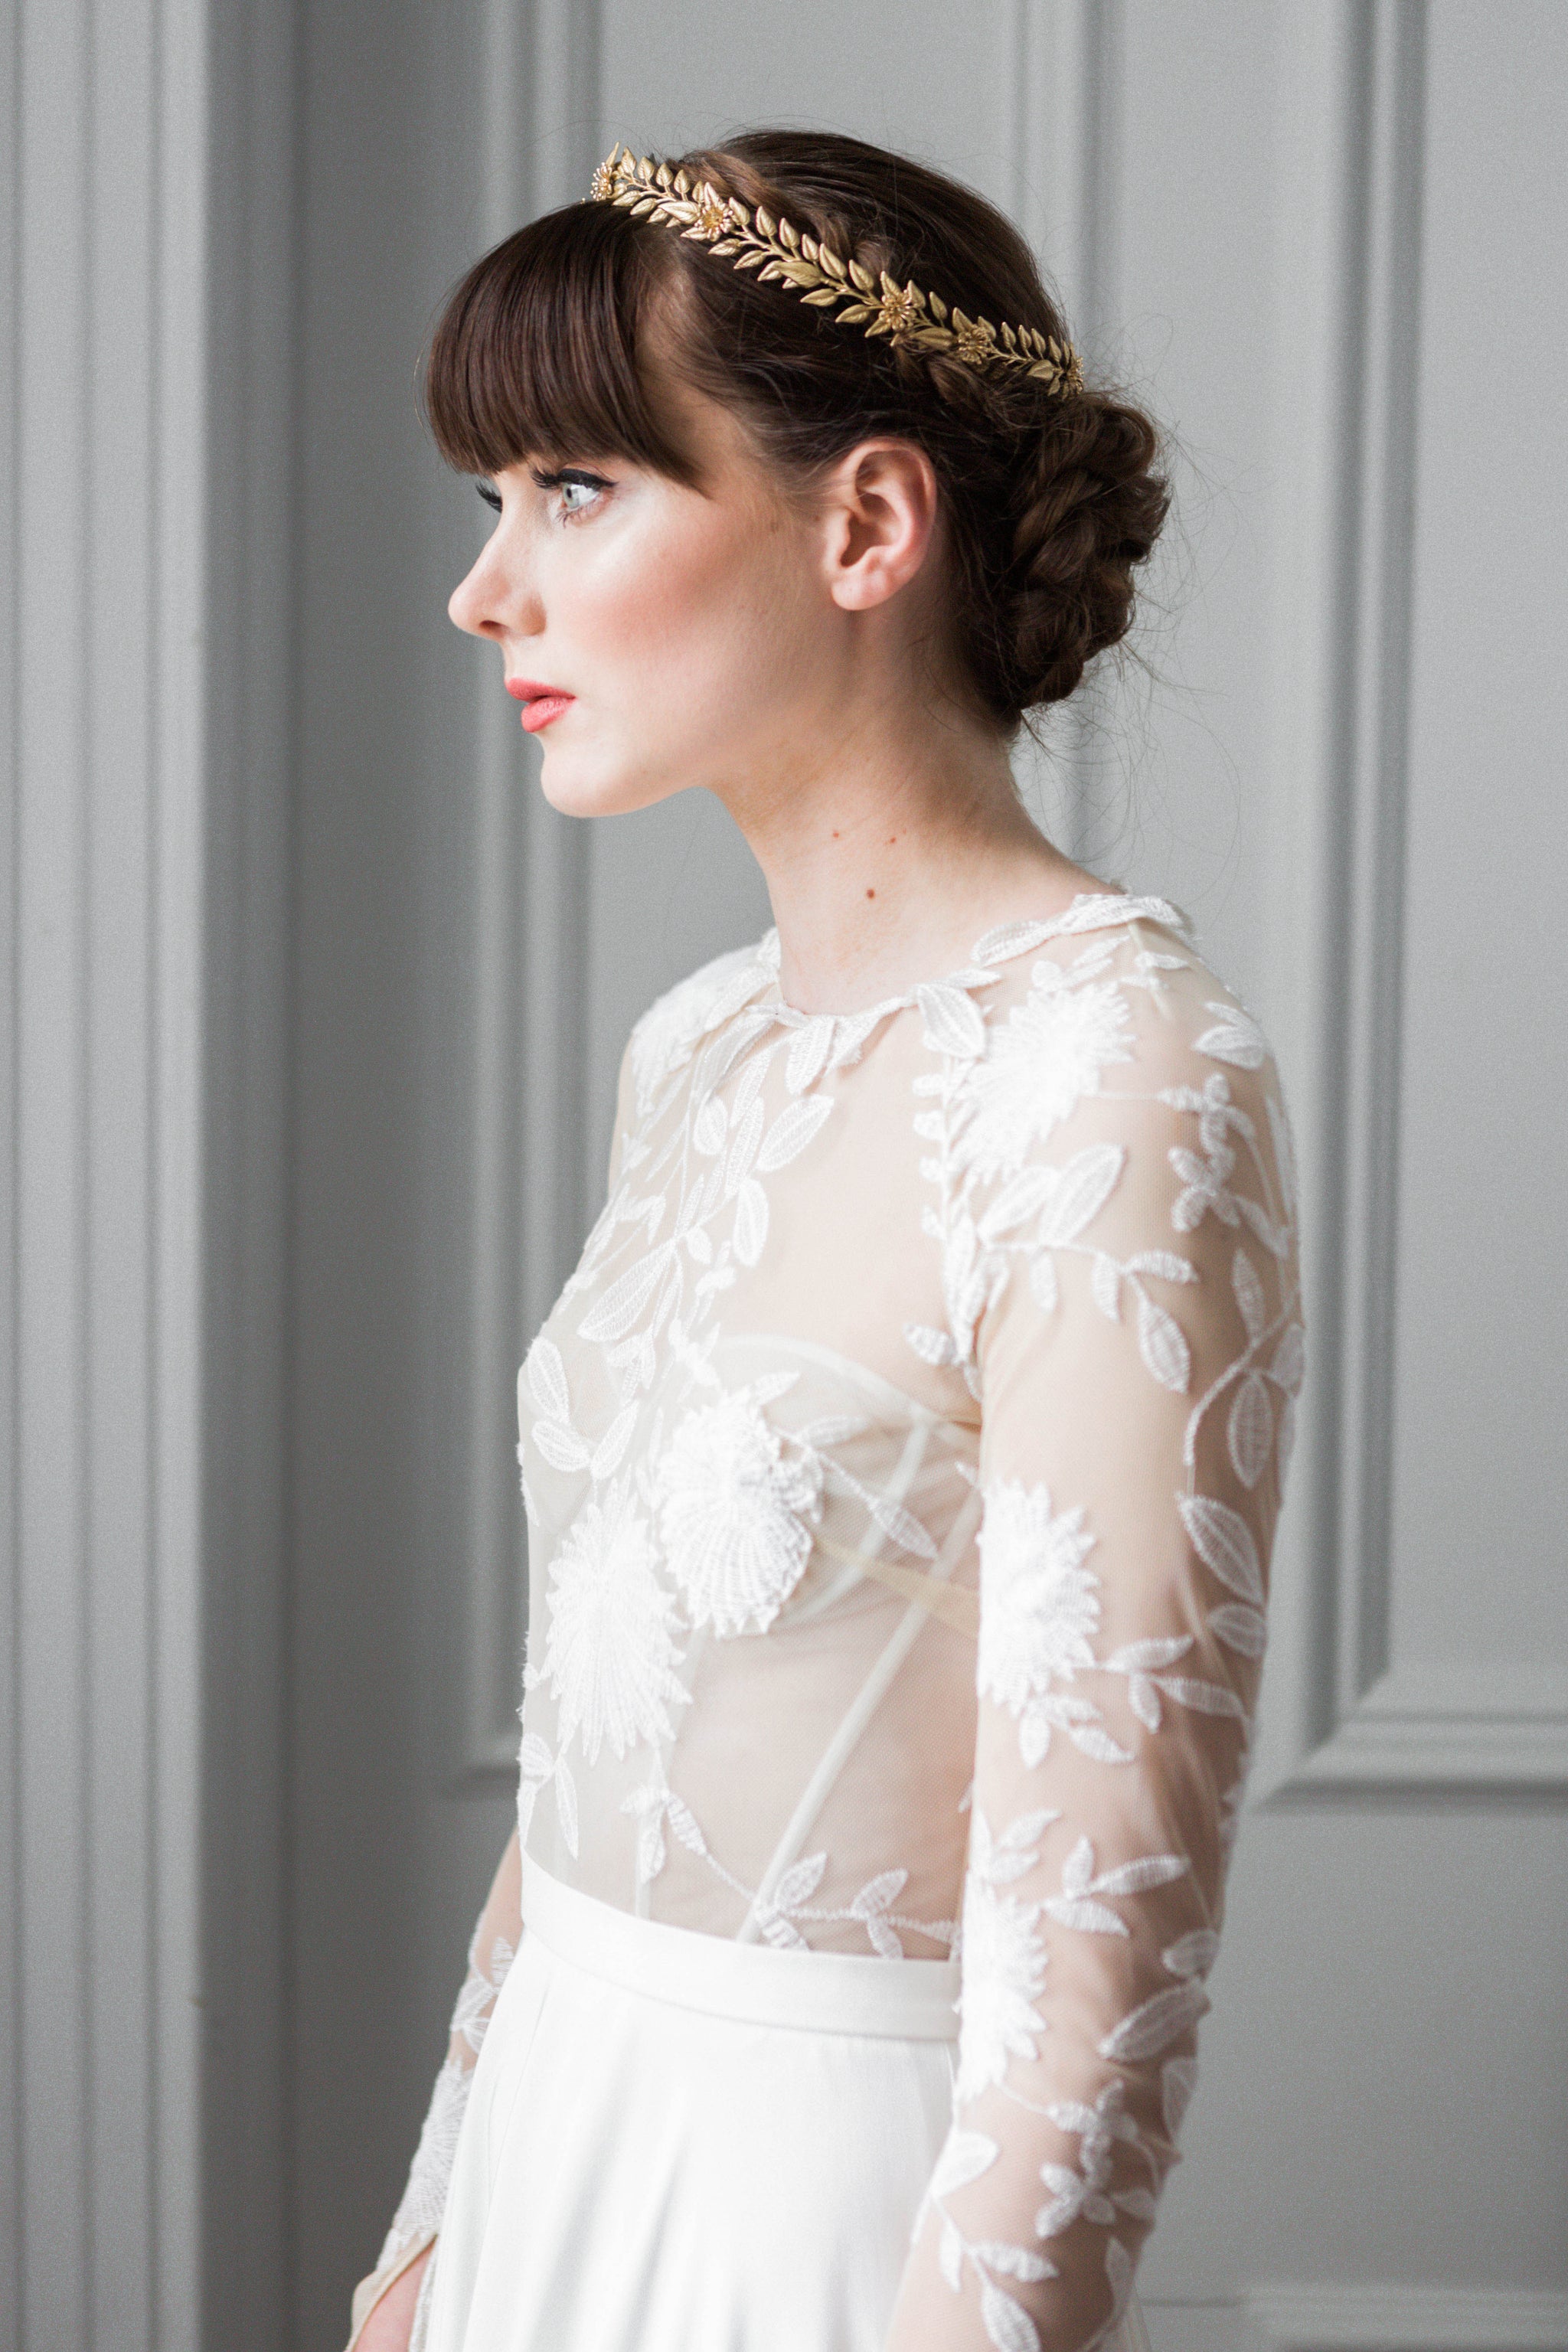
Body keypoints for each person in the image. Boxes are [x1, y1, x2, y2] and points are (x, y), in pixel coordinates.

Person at [344, 128, 1302, 2352]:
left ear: (867, 521)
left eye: (574, 488)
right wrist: (424, 2238)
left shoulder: (1119, 1075)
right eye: (493, 506)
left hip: (823, 2255)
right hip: (539, 2184)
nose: (489, 589)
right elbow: (596, 1730)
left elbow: (1104, 1947)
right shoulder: (696, 1051)